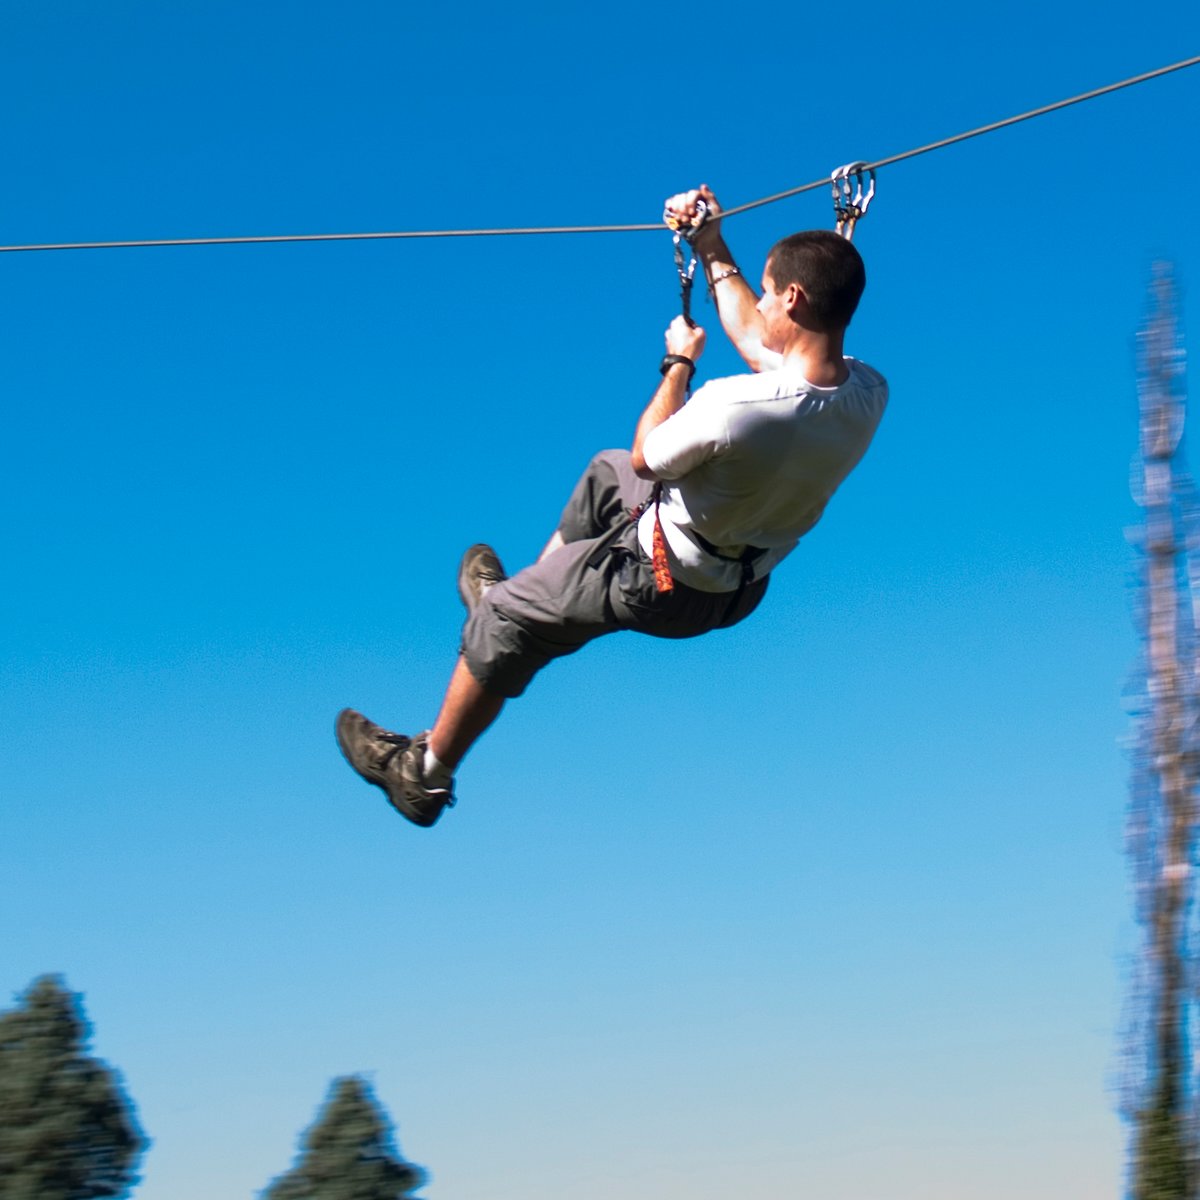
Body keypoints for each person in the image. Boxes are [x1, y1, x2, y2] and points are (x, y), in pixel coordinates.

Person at [335, 183, 889, 828]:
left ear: (793, 299)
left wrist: (676, 364)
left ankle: (423, 775)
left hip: (658, 579)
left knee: (499, 624)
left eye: (769, 290)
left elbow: (647, 456)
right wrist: (710, 245)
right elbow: (766, 342)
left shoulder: (738, 405)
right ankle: (542, 597)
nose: (760, 301)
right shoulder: (867, 392)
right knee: (602, 476)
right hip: (739, 581)